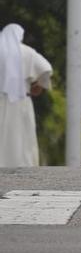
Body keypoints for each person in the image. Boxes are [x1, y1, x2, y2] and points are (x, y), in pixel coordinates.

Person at [0, 24, 52, 167]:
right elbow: (46, 69)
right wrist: (40, 86)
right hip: (21, 101)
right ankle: (22, 166)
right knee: (21, 134)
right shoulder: (27, 52)